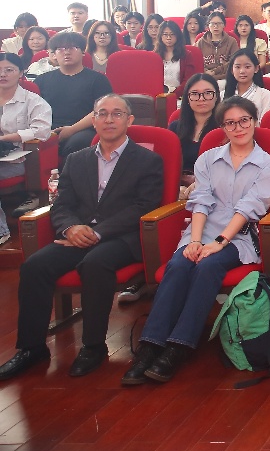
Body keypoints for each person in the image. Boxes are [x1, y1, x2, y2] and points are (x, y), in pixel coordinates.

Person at [0, 95, 164, 380]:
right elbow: (62, 204)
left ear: (129, 120)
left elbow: (143, 207)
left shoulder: (147, 160)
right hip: (77, 234)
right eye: (102, 114)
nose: (109, 120)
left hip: (122, 238)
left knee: (95, 263)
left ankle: (93, 346)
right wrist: (70, 228)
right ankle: (31, 348)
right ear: (94, 120)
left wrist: (99, 232)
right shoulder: (77, 159)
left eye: (117, 114)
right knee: (34, 266)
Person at [122, 97, 270, 385]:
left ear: (254, 121)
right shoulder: (208, 159)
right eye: (230, 123)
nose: (238, 128)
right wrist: (195, 241)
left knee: (208, 266)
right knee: (179, 265)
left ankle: (179, 346)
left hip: (239, 236)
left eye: (244, 120)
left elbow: (249, 208)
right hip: (201, 229)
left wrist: (219, 242)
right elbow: (201, 201)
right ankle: (150, 345)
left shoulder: (267, 164)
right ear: (222, 127)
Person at [35, 30, 114, 159]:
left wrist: (72, 129)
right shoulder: (42, 80)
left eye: (72, 48)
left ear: (83, 52)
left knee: (76, 144)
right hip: (49, 128)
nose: (66, 52)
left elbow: (102, 110)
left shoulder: (98, 79)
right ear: (53, 54)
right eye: (60, 49)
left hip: (84, 129)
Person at [0, 53, 52, 245]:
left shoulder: (33, 101)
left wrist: (5, 138)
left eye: (9, 70)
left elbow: (42, 131)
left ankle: (1, 231)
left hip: (17, 158)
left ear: (21, 72)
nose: (3, 74)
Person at [169, 73, 220, 192]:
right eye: (195, 94)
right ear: (187, 98)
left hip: (213, 190)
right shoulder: (175, 127)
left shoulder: (225, 128)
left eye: (208, 93)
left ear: (216, 96)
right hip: (179, 188)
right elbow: (168, 164)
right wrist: (175, 188)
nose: (201, 99)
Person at [222, 48, 270, 118]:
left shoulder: (265, 95)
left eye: (247, 67)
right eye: (237, 67)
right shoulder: (222, 95)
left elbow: (267, 122)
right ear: (232, 70)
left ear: (256, 68)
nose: (242, 71)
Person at [154, 20, 199, 93]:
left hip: (180, 94)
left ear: (178, 36)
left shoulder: (186, 55)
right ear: (160, 36)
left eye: (172, 34)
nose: (169, 37)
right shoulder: (154, 56)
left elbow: (188, 80)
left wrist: (174, 94)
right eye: (165, 34)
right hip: (159, 94)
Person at [197, 11, 235, 79]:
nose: (216, 26)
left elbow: (235, 61)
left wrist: (215, 71)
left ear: (224, 25)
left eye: (219, 23)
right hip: (205, 77)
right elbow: (196, 61)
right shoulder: (200, 42)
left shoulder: (232, 41)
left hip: (225, 77)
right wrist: (205, 71)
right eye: (212, 23)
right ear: (208, 25)